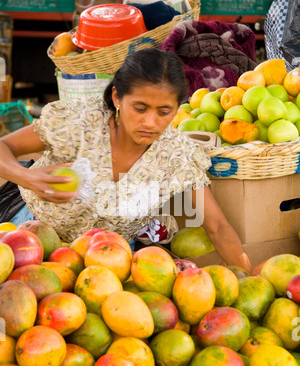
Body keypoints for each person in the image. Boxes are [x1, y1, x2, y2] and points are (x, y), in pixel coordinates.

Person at [0, 48, 252, 272]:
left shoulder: (178, 155)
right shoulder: (79, 123)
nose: (150, 122)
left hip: (109, 260)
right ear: (117, 98)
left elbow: (217, 227)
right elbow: (5, 146)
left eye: (164, 112)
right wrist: (29, 177)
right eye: (140, 108)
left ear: (176, 109)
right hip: (30, 238)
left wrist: (250, 280)